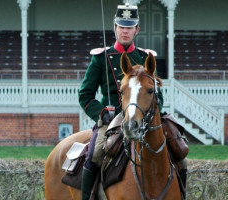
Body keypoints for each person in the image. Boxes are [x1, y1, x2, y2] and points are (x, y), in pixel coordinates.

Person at [78, 3, 186, 200]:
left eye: (129, 27)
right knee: (94, 155)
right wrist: (102, 113)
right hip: (112, 119)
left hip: (145, 117)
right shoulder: (101, 58)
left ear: (137, 30)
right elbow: (85, 95)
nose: (125, 31)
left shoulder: (146, 57)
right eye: (121, 26)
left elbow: (157, 96)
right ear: (115, 28)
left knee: (179, 151)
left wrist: (152, 112)